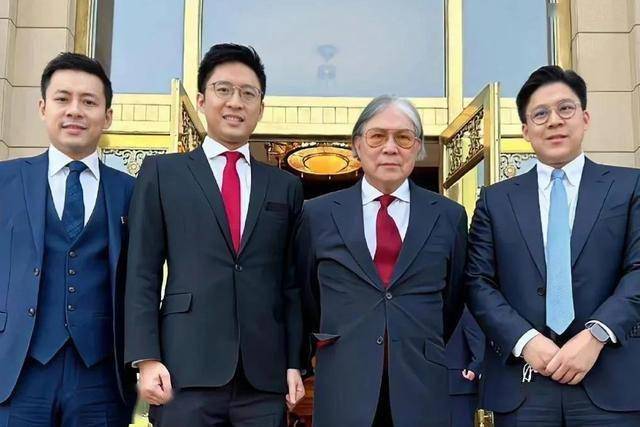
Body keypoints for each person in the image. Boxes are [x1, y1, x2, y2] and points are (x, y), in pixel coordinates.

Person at [124, 43, 305, 427]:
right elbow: (141, 272)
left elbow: (291, 283)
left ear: (261, 107)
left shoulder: (284, 186)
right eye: (224, 90)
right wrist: (146, 358)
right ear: (203, 100)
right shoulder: (162, 173)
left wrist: (294, 362)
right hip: (184, 368)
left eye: (248, 94)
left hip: (263, 377)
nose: (235, 102)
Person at [466, 65, 640, 425]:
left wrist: (597, 334)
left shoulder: (629, 187)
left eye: (566, 109)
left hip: (611, 380)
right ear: (525, 130)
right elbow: (477, 281)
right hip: (524, 383)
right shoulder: (495, 200)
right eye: (540, 114)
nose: (555, 121)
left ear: (585, 118)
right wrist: (525, 340)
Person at [296, 95, 467, 427]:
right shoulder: (317, 214)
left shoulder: (449, 216)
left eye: (403, 137)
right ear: (357, 145)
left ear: (418, 147)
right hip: (344, 381)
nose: (390, 148)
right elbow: (307, 295)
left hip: (421, 382)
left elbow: (453, 298)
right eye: (377, 136)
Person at [0, 52, 136, 426]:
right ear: (43, 107)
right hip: (18, 369)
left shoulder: (132, 192)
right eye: (63, 99)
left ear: (107, 116)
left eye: (89, 102)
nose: (75, 110)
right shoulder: (5, 181)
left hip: (101, 376)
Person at [445, 308, 484, 427]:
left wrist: (474, 367)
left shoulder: (464, 311)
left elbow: (479, 344)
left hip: (460, 384)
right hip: (433, 384)